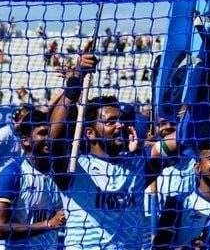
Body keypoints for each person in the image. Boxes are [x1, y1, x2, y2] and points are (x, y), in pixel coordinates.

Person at [48, 53, 175, 250]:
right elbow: (54, 138)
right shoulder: (75, 167)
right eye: (110, 122)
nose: (120, 125)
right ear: (89, 133)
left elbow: (179, 141)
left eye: (121, 120)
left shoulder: (137, 165)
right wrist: (77, 79)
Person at [0, 109, 66, 250]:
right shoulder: (13, 174)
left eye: (49, 133)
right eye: (42, 133)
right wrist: (48, 224)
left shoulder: (58, 174)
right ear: (25, 141)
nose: (48, 138)